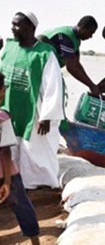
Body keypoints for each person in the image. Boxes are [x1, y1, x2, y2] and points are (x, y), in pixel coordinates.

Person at [0, 11, 64, 189]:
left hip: (34, 110)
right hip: (8, 108)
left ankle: (36, 183)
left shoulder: (44, 53)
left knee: (34, 149)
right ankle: (10, 179)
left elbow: (53, 86)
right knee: (8, 146)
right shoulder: (9, 48)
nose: (12, 28)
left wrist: (47, 115)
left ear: (30, 27)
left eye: (17, 25)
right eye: (12, 24)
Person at [0, 73, 40, 245]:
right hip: (7, 173)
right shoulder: (3, 117)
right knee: (23, 207)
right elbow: (6, 151)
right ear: (1, 92)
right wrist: (7, 182)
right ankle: (35, 241)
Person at [38, 16, 100, 95]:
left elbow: (77, 64)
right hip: (39, 69)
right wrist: (91, 86)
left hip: (47, 69)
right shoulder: (66, 37)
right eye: (90, 33)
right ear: (83, 28)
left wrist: (92, 85)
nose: (91, 36)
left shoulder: (75, 39)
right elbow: (71, 68)